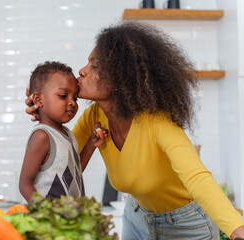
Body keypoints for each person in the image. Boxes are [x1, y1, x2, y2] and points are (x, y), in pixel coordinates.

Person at [25, 22, 244, 239]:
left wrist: (237, 229)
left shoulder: (157, 122)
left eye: (95, 66)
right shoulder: (94, 117)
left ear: (122, 77)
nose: (82, 71)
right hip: (137, 218)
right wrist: (44, 113)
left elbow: (198, 178)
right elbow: (64, 161)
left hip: (186, 226)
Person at [19, 61, 107, 202]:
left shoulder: (67, 134)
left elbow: (74, 172)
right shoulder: (42, 136)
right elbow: (24, 184)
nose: (72, 102)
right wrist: (46, 212)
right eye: (63, 96)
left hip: (69, 219)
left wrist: (90, 146)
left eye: (75, 98)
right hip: (49, 220)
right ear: (38, 99)